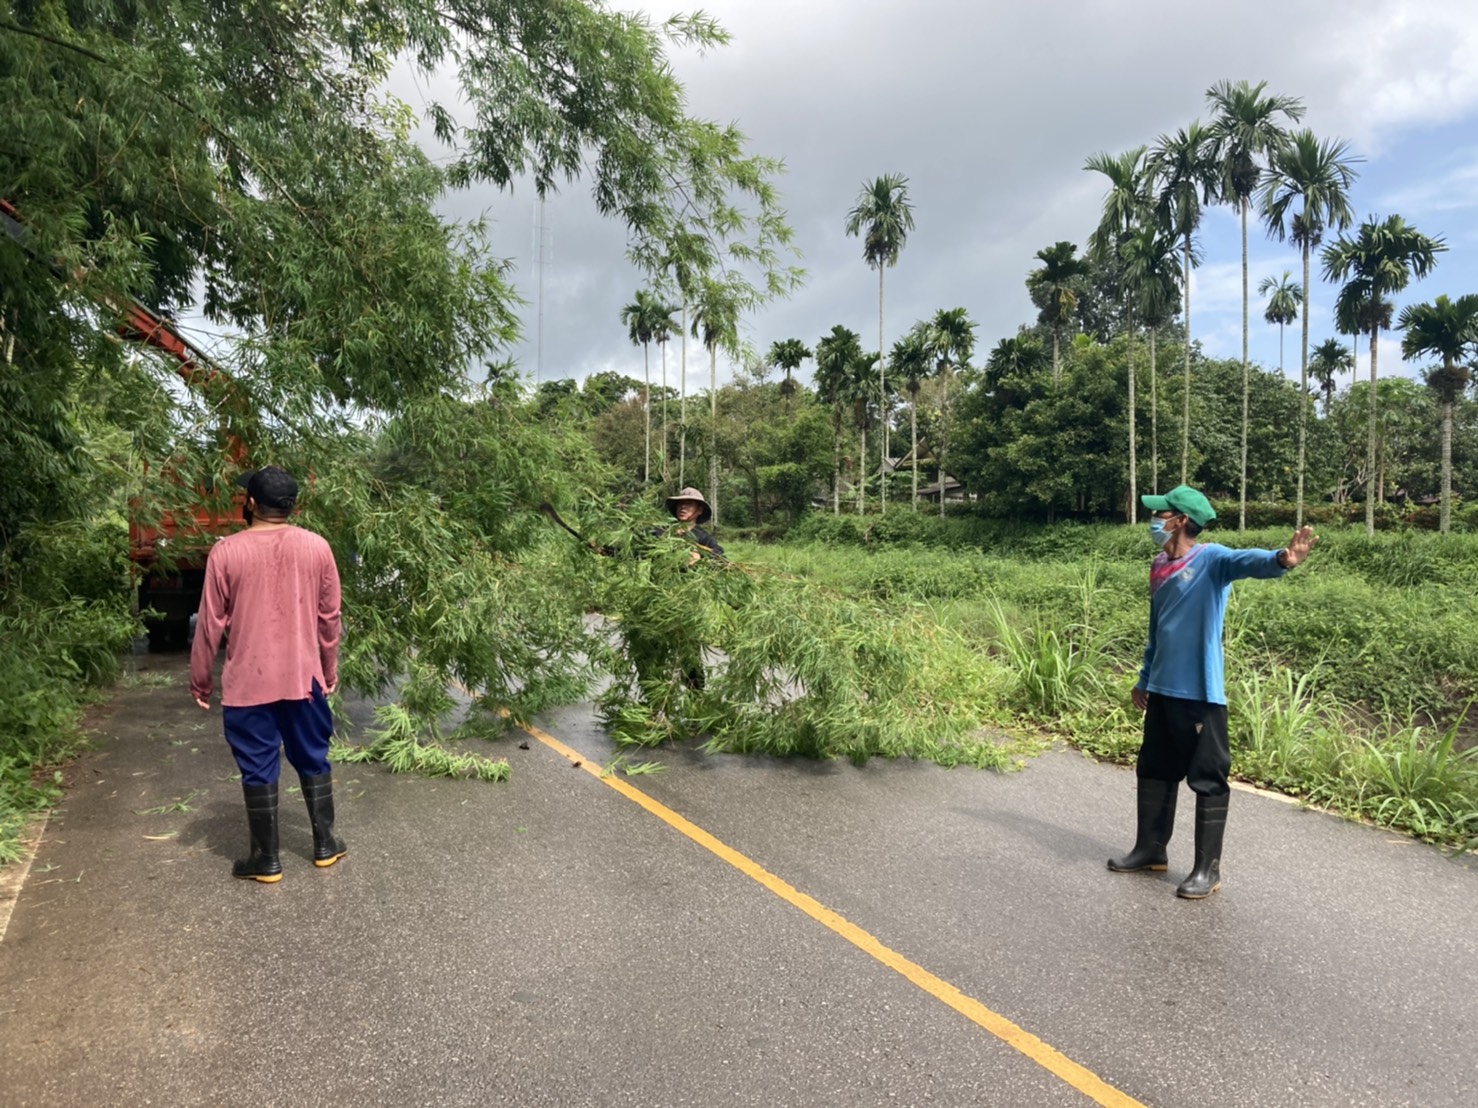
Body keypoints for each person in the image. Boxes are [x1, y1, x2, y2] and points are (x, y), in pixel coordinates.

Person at [1108, 485, 1317, 899]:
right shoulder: (1158, 565)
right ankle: (1150, 849)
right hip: (1163, 690)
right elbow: (1156, 630)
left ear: (1180, 520)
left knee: (1208, 776)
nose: (1154, 519)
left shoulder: (1212, 560)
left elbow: (1248, 561)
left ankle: (1208, 869)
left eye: (1161, 513)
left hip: (1201, 692)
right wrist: (1144, 677)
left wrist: (1283, 559)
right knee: (1154, 767)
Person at [189, 466, 346, 882]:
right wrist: (328, 671)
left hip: (248, 686)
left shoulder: (226, 552)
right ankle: (325, 844)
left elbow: (210, 624)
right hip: (304, 681)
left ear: (252, 503)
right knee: (313, 756)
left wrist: (200, 679)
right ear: (292, 506)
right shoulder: (317, 548)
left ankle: (267, 860)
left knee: (258, 767)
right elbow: (329, 619)